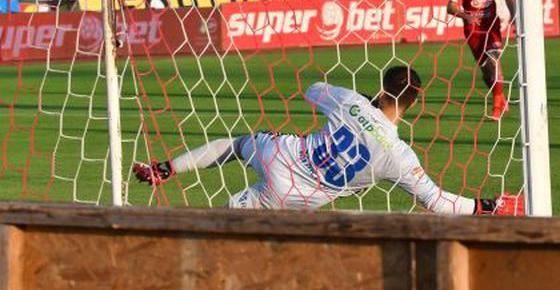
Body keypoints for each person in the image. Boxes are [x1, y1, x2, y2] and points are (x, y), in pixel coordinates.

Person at [133, 65, 524, 215]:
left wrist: (356, 101)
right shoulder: (400, 156)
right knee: (234, 226)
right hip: (299, 198)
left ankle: (166, 168)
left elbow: (311, 88)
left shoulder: (352, 103)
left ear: (382, 89)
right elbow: (438, 203)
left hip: (283, 156)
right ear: (413, 104)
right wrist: (487, 204)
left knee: (239, 144)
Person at [447, 0, 516, 120]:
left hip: (492, 28)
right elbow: (451, 7)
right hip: (473, 32)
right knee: (486, 72)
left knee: (494, 61)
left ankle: (496, 107)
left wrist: (514, 17)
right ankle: (500, 96)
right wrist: (465, 15)